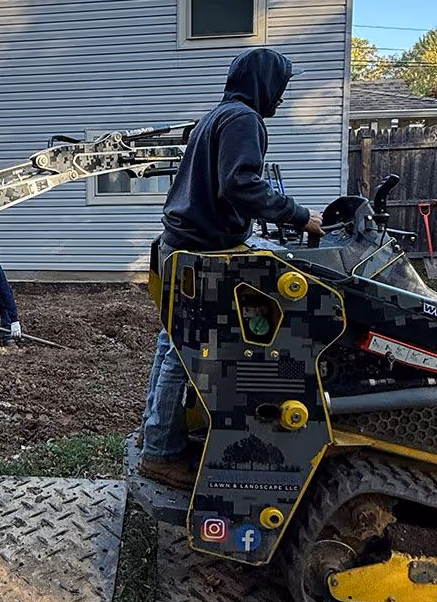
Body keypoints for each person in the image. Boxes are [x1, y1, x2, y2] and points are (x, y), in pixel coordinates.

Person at [138, 48, 324, 489]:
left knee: (173, 345)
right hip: (200, 252)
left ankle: (159, 437)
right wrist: (300, 215)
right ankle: (161, 453)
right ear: (265, 83)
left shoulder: (215, 116)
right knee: (184, 353)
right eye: (280, 87)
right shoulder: (243, 120)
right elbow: (239, 183)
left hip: (181, 245)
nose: (280, 97)